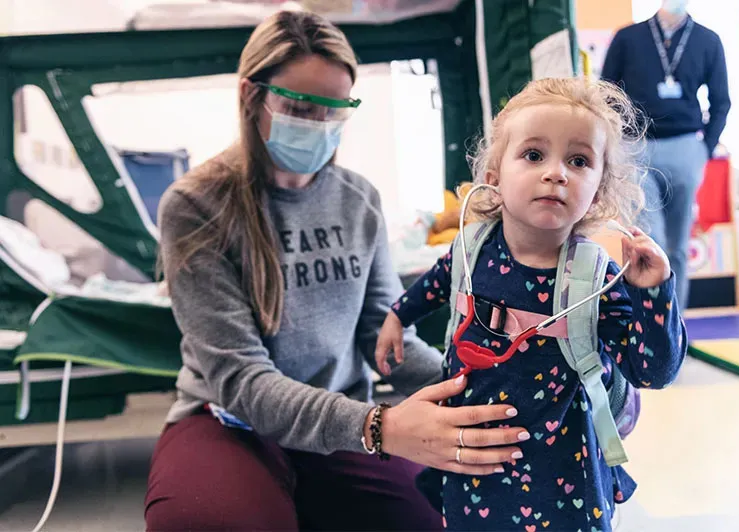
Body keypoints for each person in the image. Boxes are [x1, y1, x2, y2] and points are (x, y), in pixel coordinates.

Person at [144, 9, 530, 531]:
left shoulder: (357, 201)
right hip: (231, 421)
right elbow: (242, 378)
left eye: (335, 110)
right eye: (300, 108)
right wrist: (380, 427)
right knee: (207, 522)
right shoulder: (196, 205)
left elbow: (384, 334)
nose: (319, 126)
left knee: (431, 518)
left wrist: (490, 386)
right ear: (249, 96)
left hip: (343, 416)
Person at [375, 77, 688, 531]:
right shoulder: (472, 247)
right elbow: (438, 282)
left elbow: (654, 371)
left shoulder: (596, 278)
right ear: (494, 178)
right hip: (475, 465)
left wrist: (654, 294)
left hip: (565, 477)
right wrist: (398, 315)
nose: (556, 172)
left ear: (598, 190)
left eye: (578, 160)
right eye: (534, 155)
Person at [600, 0, 731, 310]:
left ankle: (675, 324)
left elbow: (721, 101)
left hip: (686, 146)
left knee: (677, 246)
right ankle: (642, 319)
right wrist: (614, 144)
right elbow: (606, 93)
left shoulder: (707, 39)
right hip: (636, 148)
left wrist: (704, 149)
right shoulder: (628, 38)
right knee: (646, 238)